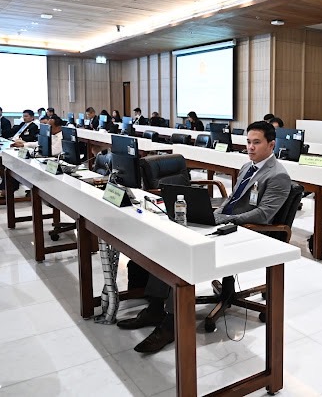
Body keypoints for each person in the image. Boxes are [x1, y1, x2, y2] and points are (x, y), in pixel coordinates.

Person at [116, 121, 292, 353]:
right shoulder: (247, 166)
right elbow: (232, 199)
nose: (250, 147)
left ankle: (170, 324)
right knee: (169, 240)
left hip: (248, 232)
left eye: (256, 143)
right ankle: (155, 308)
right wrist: (215, 214)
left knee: (181, 252)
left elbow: (264, 214)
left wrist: (227, 219)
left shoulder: (278, 175)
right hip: (227, 223)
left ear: (271, 145)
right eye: (248, 142)